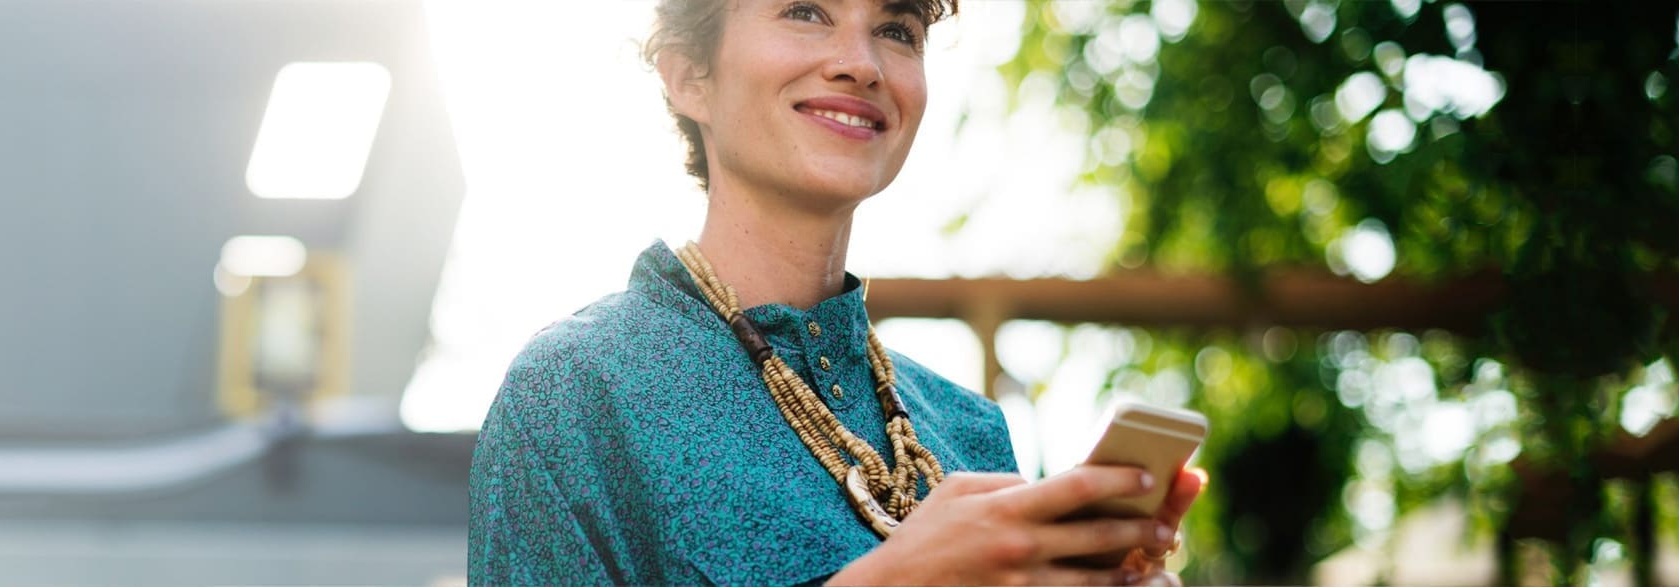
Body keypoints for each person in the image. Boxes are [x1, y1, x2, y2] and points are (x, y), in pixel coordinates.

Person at [468, 0, 1207, 584]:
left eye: (896, 27)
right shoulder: (575, 392)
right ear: (689, 73)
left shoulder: (969, 432)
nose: (860, 64)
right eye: (805, 10)